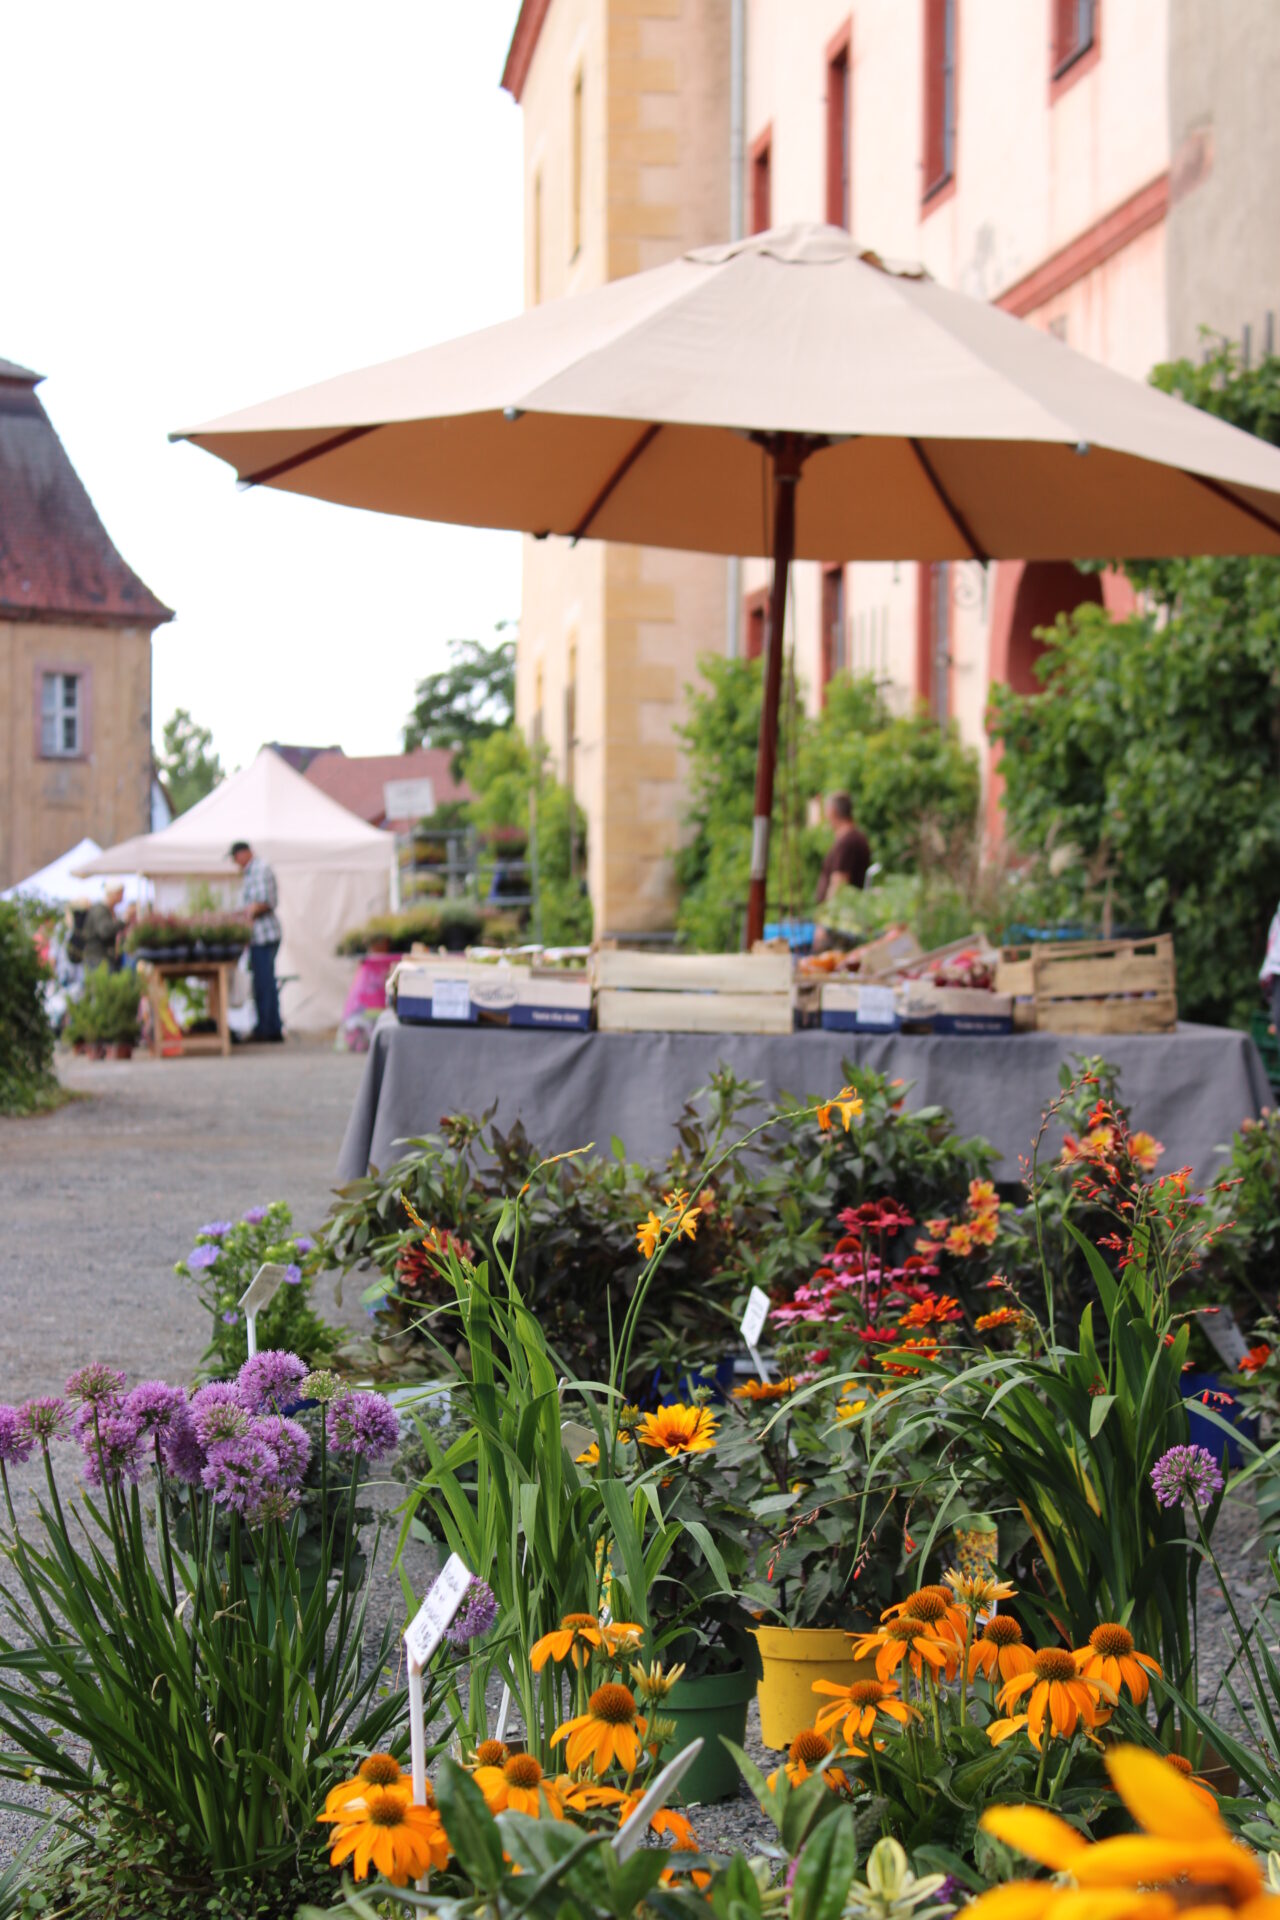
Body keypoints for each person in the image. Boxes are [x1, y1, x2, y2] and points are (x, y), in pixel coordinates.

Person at [230, 840, 283, 1042]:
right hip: (258, 937)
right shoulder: (251, 871)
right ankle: (267, 1026)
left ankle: (269, 1029)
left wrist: (245, 914)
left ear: (243, 854)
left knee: (265, 983)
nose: (235, 863)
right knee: (262, 983)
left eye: (235, 858)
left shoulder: (260, 869)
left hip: (264, 935)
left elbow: (264, 902)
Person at [80, 885, 125, 972]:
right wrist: (122, 922)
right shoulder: (100, 910)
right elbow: (104, 931)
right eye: (121, 893)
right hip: (98, 959)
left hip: (100, 958)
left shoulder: (107, 910)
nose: (122, 897)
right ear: (113, 894)